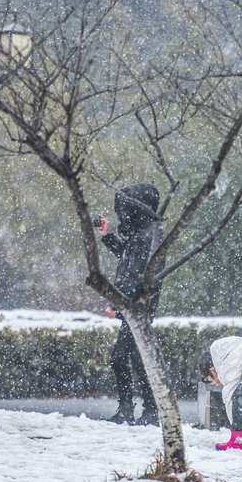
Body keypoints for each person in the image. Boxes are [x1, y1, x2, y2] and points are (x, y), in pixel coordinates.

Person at [96, 182, 163, 425]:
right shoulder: (144, 234)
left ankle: (138, 409)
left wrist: (117, 303)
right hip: (135, 305)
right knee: (135, 357)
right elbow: (127, 257)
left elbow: (134, 273)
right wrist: (108, 237)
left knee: (123, 357)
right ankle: (147, 410)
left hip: (137, 306)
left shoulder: (147, 236)